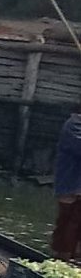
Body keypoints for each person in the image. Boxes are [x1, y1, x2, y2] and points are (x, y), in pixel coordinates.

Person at [51, 106, 81, 260]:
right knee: (68, 223)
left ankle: (74, 261)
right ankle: (62, 260)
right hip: (71, 184)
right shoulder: (74, 124)